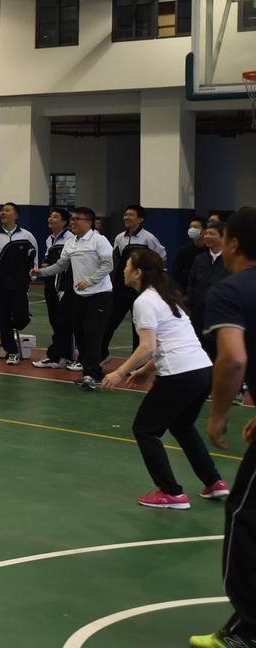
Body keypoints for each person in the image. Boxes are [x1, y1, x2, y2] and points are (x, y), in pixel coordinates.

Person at [99, 247, 226, 509]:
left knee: (145, 429)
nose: (123, 270)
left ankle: (172, 493)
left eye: (127, 265)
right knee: (182, 425)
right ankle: (214, 482)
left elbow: (147, 346)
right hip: (202, 371)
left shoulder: (144, 301)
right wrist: (147, 370)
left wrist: (120, 372)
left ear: (138, 272)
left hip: (180, 375)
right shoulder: (167, 297)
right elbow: (169, 342)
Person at [193, 206, 256, 648]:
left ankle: (248, 629)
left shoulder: (230, 290)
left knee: (244, 516)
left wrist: (217, 415)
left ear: (232, 243)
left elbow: (232, 358)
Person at [32, 206, 114, 391]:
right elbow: (61, 265)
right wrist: (41, 272)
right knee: (81, 335)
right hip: (78, 296)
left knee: (92, 334)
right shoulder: (71, 243)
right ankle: (92, 372)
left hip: (100, 295)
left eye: (77, 219)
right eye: (72, 219)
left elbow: (108, 265)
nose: (73, 222)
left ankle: (91, 375)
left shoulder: (99, 240)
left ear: (89, 222)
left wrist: (90, 281)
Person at [109, 203, 168, 357]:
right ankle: (101, 355)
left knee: (138, 325)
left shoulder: (149, 238)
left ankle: (139, 359)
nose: (126, 217)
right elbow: (118, 258)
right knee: (110, 321)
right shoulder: (119, 238)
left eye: (131, 215)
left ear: (140, 219)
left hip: (140, 288)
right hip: (122, 287)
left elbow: (161, 257)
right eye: (125, 215)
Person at [0, 201, 38, 365]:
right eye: (2, 210)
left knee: (22, 317)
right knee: (3, 320)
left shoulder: (27, 236)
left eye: (7, 210)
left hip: (19, 285)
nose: (3, 213)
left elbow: (33, 258)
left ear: (16, 215)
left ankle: (22, 319)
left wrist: (33, 276)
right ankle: (12, 352)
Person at [32, 208, 77, 370]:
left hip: (64, 287)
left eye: (55, 217)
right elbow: (49, 261)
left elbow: (70, 264)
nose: (50, 219)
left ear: (64, 222)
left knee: (64, 322)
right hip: (50, 284)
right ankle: (62, 356)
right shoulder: (49, 239)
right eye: (50, 216)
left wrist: (65, 286)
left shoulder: (71, 239)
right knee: (55, 321)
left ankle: (59, 356)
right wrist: (44, 267)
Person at [189, 222, 230, 343]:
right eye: (205, 233)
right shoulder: (199, 259)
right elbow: (192, 283)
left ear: (223, 237)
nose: (206, 236)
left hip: (222, 313)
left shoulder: (230, 260)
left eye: (211, 233)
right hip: (199, 313)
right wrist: (191, 303)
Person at [174, 216, 211, 290]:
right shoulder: (184, 250)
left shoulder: (210, 250)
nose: (192, 229)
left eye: (195, 227)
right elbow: (175, 273)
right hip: (187, 289)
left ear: (204, 231)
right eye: (190, 227)